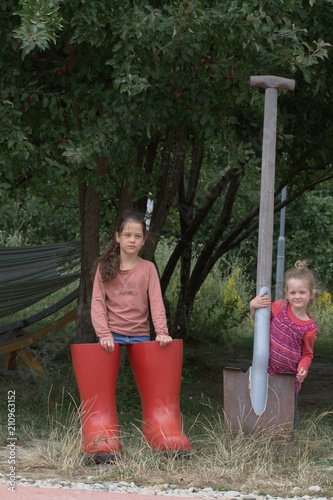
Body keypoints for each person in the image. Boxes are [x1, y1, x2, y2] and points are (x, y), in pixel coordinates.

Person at [91, 209, 173, 351]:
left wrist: (162, 333)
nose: (132, 240)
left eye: (137, 236)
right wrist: (104, 334)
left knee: (149, 373)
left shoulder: (148, 268)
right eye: (127, 235)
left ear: (143, 240)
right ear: (118, 237)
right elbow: (97, 302)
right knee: (104, 373)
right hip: (111, 334)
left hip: (140, 334)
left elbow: (156, 302)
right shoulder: (103, 267)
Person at [250, 260, 318, 395]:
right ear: (287, 294)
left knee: (286, 413)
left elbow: (307, 353)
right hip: (267, 371)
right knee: (265, 408)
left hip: (290, 379)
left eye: (302, 292)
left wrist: (303, 368)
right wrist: (253, 306)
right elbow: (260, 322)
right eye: (293, 292)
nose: (297, 296)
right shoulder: (279, 307)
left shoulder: (310, 328)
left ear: (311, 294)